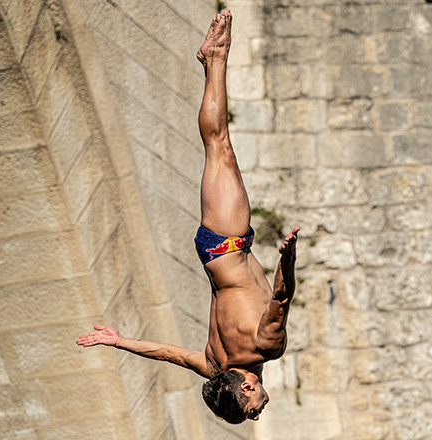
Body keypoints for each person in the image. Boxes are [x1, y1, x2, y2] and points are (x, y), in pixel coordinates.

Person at [76, 10, 300, 424]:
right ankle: (213, 60)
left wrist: (287, 260)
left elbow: (280, 301)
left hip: (229, 242)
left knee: (219, 144)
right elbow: (169, 353)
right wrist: (119, 340)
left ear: (247, 387)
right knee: (218, 148)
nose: (258, 412)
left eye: (253, 408)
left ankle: (215, 57)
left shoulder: (266, 348)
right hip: (215, 251)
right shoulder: (213, 367)